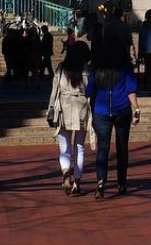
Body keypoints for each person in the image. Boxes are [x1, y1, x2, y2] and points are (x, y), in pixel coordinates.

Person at [86, 44, 140, 198]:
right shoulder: (125, 70)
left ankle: (101, 181)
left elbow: (89, 91)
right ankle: (121, 183)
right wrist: (137, 109)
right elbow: (131, 91)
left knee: (103, 147)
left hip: (101, 112)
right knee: (122, 148)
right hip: (122, 109)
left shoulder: (97, 70)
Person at [50, 40, 94, 196]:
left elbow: (54, 90)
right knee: (80, 147)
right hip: (81, 108)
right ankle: (78, 181)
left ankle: (65, 172)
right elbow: (91, 90)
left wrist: (50, 108)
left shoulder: (61, 68)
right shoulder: (87, 69)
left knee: (64, 147)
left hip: (63, 108)